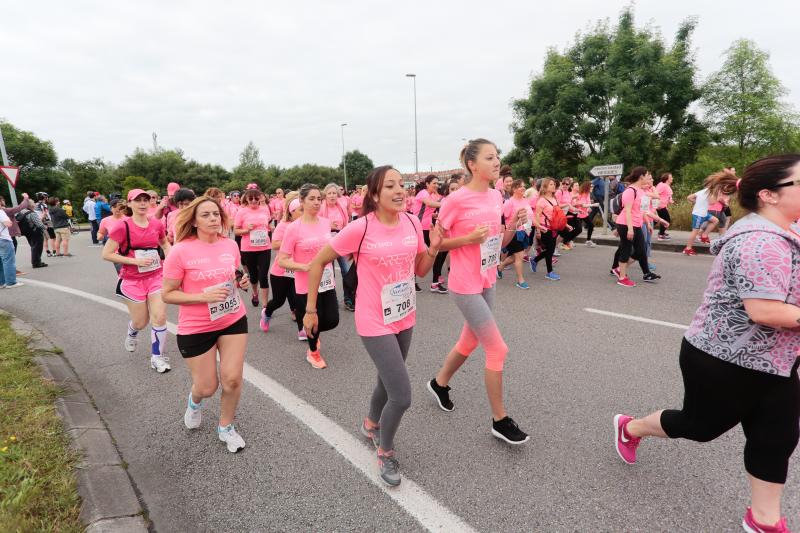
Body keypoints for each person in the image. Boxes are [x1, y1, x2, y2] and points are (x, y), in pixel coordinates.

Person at [614, 154, 800, 533]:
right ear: (770, 195)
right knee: (699, 426)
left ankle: (763, 521)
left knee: (776, 436)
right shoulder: (760, 243)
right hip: (723, 358)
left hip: (777, 360)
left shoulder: (787, 230)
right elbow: (764, 310)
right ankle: (630, 428)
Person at [304, 166, 441, 486]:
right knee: (402, 395)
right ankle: (386, 451)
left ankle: (369, 424)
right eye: (389, 186)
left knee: (388, 379)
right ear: (375, 195)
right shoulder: (360, 228)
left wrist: (433, 246)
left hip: (404, 314)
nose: (399, 190)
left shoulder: (409, 221)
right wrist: (310, 310)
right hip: (373, 320)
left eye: (401, 185)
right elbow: (317, 263)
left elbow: (420, 270)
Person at [426, 138, 530, 445]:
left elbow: (499, 240)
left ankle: (439, 383)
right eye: (489, 157)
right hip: (464, 284)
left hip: (487, 279)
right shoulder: (455, 201)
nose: (497, 162)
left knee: (469, 341)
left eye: (497, 156)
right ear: (472, 165)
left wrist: (511, 224)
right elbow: (436, 245)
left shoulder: (496, 196)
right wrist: (468, 238)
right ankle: (500, 420)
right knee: (497, 349)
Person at [162, 196, 250, 453]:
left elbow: (235, 272)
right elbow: (167, 293)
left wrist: (241, 281)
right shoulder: (181, 250)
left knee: (232, 379)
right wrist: (202, 296)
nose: (213, 219)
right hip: (196, 326)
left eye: (216, 214)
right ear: (194, 221)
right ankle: (195, 400)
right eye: (206, 215)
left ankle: (226, 427)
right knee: (207, 386)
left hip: (232, 318)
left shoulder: (230, 245)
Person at [102, 189, 171, 374]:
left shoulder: (156, 224)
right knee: (141, 322)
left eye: (145, 200)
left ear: (150, 203)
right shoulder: (122, 227)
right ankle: (132, 331)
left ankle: (157, 357)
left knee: (160, 316)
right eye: (138, 200)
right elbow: (106, 254)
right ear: (130, 204)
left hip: (156, 276)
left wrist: (173, 260)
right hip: (132, 280)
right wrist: (135, 261)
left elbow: (164, 244)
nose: (142, 203)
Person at [277, 184, 339, 368]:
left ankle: (313, 333)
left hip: (327, 279)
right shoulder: (293, 228)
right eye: (311, 199)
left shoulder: (325, 222)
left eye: (319, 199)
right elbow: (282, 260)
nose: (316, 202)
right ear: (302, 201)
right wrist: (303, 266)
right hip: (305, 283)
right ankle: (313, 352)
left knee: (332, 319)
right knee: (313, 319)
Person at [610, 167, 660, 287]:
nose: (649, 178)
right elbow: (627, 211)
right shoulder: (630, 191)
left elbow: (642, 211)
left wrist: (647, 223)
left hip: (637, 224)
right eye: (648, 175)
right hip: (626, 224)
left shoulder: (641, 191)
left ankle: (619, 270)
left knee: (640, 251)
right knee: (626, 250)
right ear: (641, 176)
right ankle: (622, 278)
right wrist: (630, 229)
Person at [262, 192, 301, 338]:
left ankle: (302, 329)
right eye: (300, 209)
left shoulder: (306, 225)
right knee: (278, 301)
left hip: (299, 269)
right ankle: (267, 313)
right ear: (291, 211)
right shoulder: (284, 225)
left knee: (299, 300)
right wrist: (293, 242)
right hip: (281, 270)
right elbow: (274, 244)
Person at [233, 188, 272, 324]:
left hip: (265, 247)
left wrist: (270, 228)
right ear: (247, 200)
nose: (254, 201)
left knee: (263, 276)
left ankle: (265, 306)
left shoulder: (265, 210)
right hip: (248, 249)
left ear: (260, 198)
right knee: (254, 276)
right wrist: (246, 229)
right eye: (251, 199)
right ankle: (255, 293)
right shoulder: (242, 212)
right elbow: (236, 230)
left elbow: (268, 225)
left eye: (257, 198)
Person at [683, 170, 739, 256]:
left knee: (715, 220)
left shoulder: (703, 191)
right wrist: (719, 197)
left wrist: (697, 203)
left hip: (704, 213)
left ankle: (704, 235)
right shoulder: (709, 192)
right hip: (699, 214)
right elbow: (712, 202)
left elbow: (689, 197)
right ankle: (688, 248)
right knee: (695, 231)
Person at [319, 183, 354, 310]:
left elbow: (346, 224)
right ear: (325, 195)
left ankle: (348, 299)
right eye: (329, 193)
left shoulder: (341, 207)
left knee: (346, 271)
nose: (332, 195)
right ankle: (331, 301)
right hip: (326, 243)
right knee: (330, 273)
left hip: (340, 242)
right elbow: (317, 225)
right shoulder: (321, 208)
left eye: (334, 193)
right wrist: (329, 226)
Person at [497, 179, 533, 289]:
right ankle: (520, 280)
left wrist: (538, 227)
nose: (523, 188)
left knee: (515, 256)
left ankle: (500, 267)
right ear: (514, 189)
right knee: (519, 256)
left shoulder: (525, 200)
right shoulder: (509, 202)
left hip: (524, 231)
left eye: (523, 186)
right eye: (520, 186)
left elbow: (530, 215)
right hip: (513, 232)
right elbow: (502, 217)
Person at [412, 175, 444, 293]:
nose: (436, 185)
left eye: (437, 183)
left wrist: (433, 215)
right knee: (418, 255)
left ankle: (435, 282)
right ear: (427, 184)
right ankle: (412, 281)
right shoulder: (423, 193)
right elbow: (429, 204)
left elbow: (426, 210)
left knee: (437, 252)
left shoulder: (430, 195)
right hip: (418, 228)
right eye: (434, 183)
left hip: (428, 228)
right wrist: (446, 204)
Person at [530, 178, 565, 280]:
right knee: (550, 250)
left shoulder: (554, 199)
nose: (553, 186)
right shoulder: (541, 200)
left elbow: (557, 214)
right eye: (551, 184)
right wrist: (538, 231)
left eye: (554, 184)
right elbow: (536, 216)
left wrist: (566, 225)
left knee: (550, 250)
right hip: (544, 228)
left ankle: (535, 260)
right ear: (545, 187)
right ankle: (549, 272)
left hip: (554, 228)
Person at [98, 199, 128, 274]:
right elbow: (101, 232)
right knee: (122, 272)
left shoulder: (129, 219)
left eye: (120, 207)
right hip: (115, 252)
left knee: (132, 272)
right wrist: (100, 236)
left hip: (130, 250)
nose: (117, 209)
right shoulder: (105, 220)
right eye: (114, 207)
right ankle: (123, 284)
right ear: (110, 208)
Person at [0, 207, 23, 288]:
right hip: (4, 239)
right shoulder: (1, 212)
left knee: (1, 262)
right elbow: (8, 224)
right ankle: (11, 282)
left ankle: (1, 282)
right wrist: (10, 221)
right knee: (8, 261)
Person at [655, 173, 674, 240]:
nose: (672, 178)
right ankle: (661, 235)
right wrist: (657, 204)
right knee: (666, 220)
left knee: (662, 219)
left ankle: (661, 232)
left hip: (663, 206)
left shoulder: (666, 185)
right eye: (671, 177)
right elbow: (656, 194)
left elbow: (668, 195)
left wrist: (670, 200)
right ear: (667, 178)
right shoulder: (662, 185)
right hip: (660, 206)